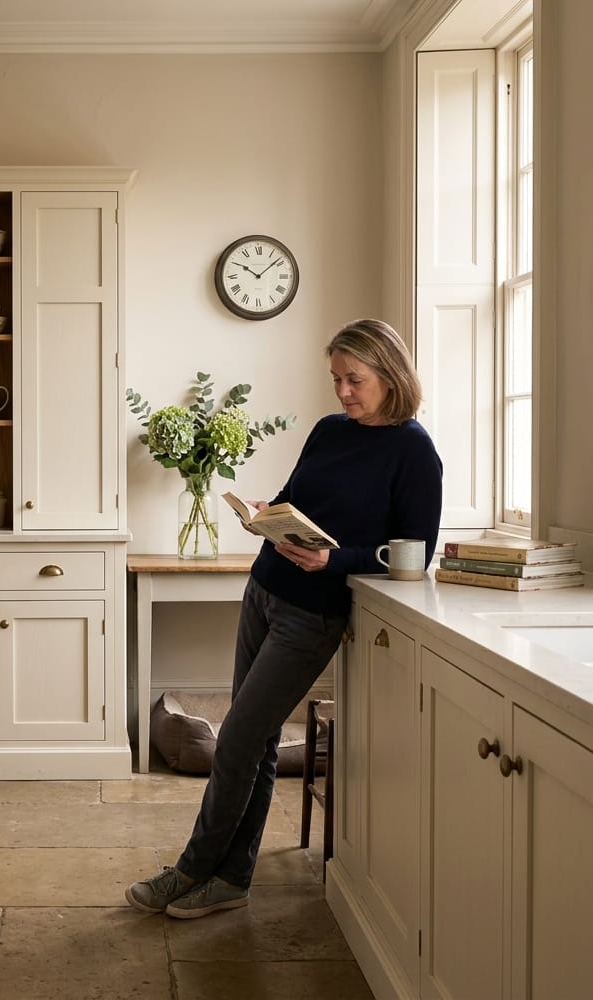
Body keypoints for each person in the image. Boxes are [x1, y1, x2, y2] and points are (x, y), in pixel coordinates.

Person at [126, 318, 443, 919]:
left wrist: (334, 560)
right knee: (259, 740)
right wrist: (265, 512)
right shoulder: (329, 431)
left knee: (239, 736)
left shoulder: (413, 451)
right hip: (265, 588)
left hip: (314, 613)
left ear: (392, 374)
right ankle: (232, 879)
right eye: (336, 379)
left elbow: (414, 553)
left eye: (355, 380)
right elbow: (298, 496)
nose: (343, 392)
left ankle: (192, 868)